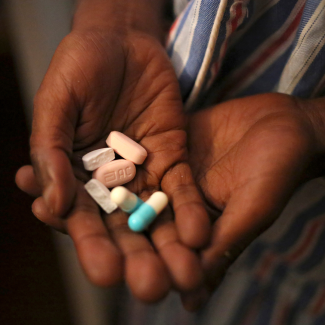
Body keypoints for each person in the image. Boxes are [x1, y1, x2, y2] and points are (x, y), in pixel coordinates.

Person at [16, 0, 325, 320]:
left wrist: (315, 125)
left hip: (306, 252)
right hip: (194, 170)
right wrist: (119, 17)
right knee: (162, 272)